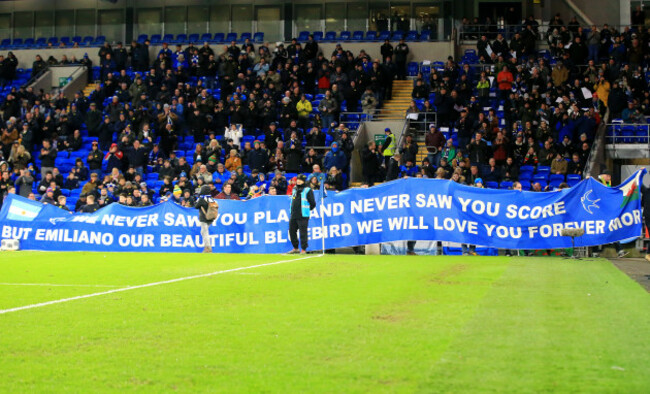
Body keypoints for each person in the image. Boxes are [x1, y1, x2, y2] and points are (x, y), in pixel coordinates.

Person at [288, 174, 316, 254]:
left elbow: (313, 203)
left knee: (303, 233)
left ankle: (303, 249)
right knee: (292, 231)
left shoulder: (307, 190)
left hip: (303, 214)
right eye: (297, 179)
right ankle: (295, 248)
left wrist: (307, 209)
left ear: (304, 181)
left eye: (300, 180)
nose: (298, 181)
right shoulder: (295, 189)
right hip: (294, 214)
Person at [195, 185, 219, 253]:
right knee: (203, 232)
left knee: (204, 232)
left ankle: (208, 248)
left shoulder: (202, 198)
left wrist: (198, 199)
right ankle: (207, 247)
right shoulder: (210, 198)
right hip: (211, 218)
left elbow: (196, 206)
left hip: (204, 218)